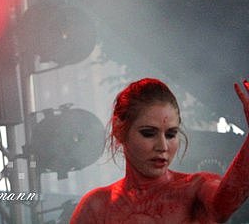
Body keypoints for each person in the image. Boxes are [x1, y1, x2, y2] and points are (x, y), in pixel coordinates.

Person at [70, 78, 249, 223]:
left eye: (171, 134)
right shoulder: (97, 206)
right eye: (148, 133)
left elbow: (225, 202)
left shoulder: (196, 188)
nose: (162, 146)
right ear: (119, 130)